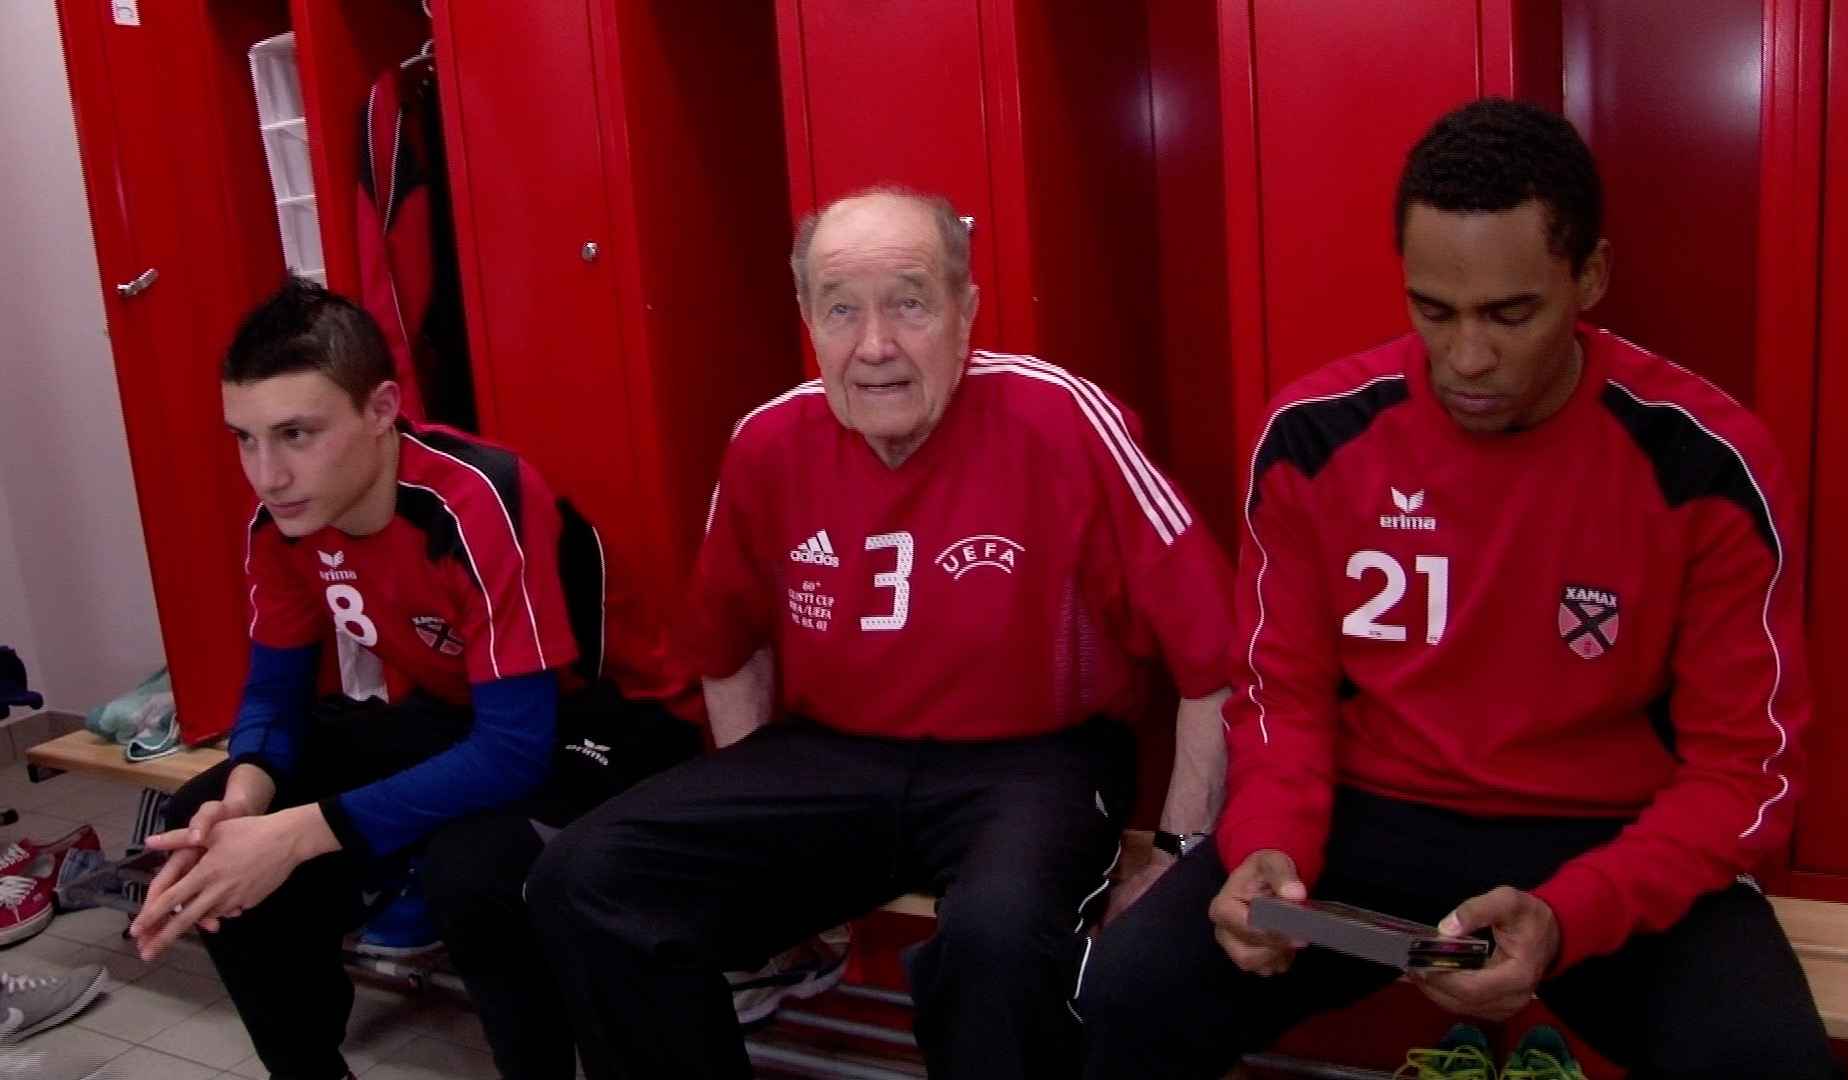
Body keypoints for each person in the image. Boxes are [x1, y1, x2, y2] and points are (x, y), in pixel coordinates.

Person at [1076, 98, 1836, 1079]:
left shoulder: (1705, 464)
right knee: (1132, 988)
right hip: (1365, 827)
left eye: (1511, 314)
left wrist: (1567, 916)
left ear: (1591, 276)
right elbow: (1283, 703)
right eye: (1434, 311)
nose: (1467, 358)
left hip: (1607, 844)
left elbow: (1745, 775)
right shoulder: (1318, 437)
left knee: (1770, 1065)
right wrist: (1268, 846)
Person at [526, 187, 1236, 1079]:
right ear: (807, 320)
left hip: (1031, 762)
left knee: (997, 939)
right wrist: (763, 836)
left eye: (909, 303)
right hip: (829, 754)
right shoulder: (766, 443)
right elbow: (729, 648)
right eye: (841, 311)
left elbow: (1217, 654)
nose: (874, 347)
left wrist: (1177, 854)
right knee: (584, 877)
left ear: (965, 312)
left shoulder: (1061, 418)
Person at [127, 278, 703, 1080]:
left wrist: (297, 834)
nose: (267, 474)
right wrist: (249, 799)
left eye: (296, 434)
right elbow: (274, 695)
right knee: (207, 818)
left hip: (613, 729)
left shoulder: (478, 500)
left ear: (382, 409)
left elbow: (514, 752)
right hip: (470, 717)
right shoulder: (283, 524)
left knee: (470, 869)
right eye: (245, 440)